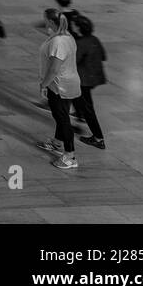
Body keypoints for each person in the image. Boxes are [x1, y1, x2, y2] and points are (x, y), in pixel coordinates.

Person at [37, 10, 82, 170]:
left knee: (63, 119)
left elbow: (54, 68)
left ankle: (70, 155)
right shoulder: (66, 36)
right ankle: (56, 143)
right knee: (61, 115)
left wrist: (44, 84)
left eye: (45, 20)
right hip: (65, 83)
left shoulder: (59, 42)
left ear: (50, 21)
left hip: (59, 86)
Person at [70, 15, 107, 148]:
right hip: (93, 79)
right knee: (83, 104)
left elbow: (73, 61)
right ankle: (79, 118)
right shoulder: (94, 39)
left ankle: (98, 138)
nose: (72, 25)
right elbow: (103, 56)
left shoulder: (81, 43)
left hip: (83, 80)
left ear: (79, 27)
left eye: (74, 24)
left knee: (87, 109)